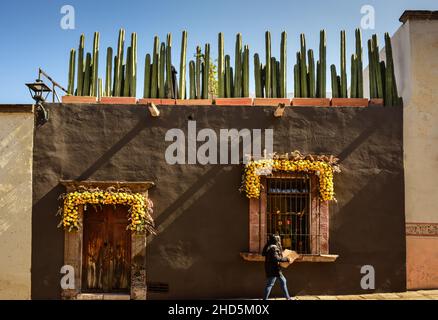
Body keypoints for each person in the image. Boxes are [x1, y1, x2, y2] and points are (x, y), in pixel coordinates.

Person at [262, 234, 294, 300]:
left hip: (271, 268)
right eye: (278, 239)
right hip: (274, 269)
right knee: (270, 284)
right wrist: (287, 259)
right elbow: (276, 258)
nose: (279, 241)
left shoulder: (268, 246)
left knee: (283, 281)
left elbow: (263, 254)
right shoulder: (274, 248)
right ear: (276, 240)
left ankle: (288, 298)